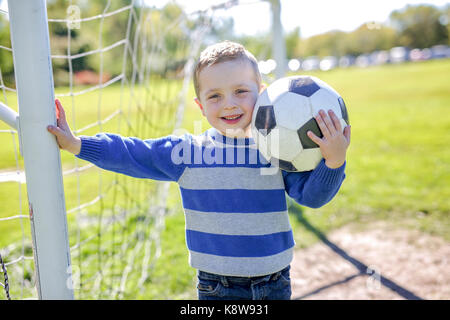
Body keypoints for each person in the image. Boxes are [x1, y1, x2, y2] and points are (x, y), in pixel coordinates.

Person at [47, 41, 351, 300]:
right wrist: (78, 145)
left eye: (241, 91)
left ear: (262, 92)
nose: (229, 104)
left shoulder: (280, 148)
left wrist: (333, 163)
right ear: (200, 105)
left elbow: (313, 198)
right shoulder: (187, 152)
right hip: (217, 287)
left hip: (275, 282)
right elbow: (132, 153)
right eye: (215, 96)